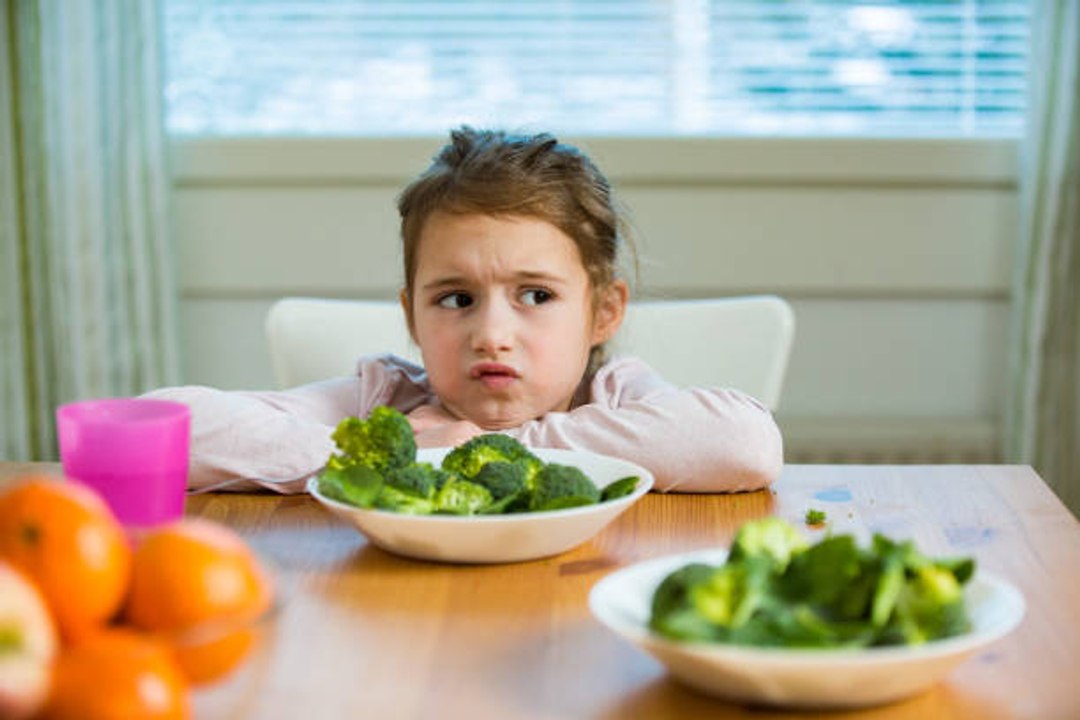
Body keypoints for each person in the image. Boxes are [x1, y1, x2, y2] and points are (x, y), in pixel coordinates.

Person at [145, 127, 783, 494]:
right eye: (456, 299)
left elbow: (744, 442)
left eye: (536, 296)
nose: (492, 334)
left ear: (603, 312)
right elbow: (161, 431)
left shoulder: (616, 397)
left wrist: (492, 451)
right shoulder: (388, 402)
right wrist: (395, 455)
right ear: (412, 316)